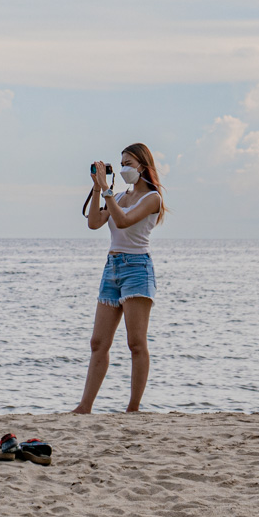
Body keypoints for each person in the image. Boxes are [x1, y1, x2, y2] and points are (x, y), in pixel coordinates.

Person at [73, 143, 166, 414]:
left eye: (129, 163)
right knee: (98, 343)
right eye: (121, 163)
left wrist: (109, 192)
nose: (124, 168)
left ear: (143, 166)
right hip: (112, 267)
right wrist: (98, 188)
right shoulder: (120, 196)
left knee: (135, 342)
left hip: (137, 267)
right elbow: (93, 223)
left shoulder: (152, 198)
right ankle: (84, 406)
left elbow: (124, 221)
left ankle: (133, 408)